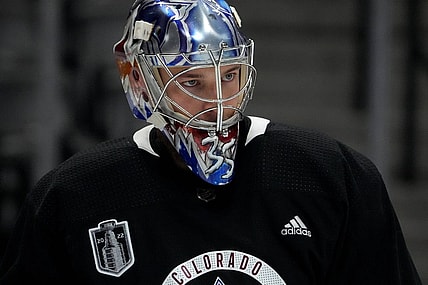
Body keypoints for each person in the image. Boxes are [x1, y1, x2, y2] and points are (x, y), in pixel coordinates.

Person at [0, 0, 422, 284]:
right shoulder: (73, 197)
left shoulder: (333, 177)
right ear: (138, 82)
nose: (217, 103)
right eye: (191, 81)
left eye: (230, 76)